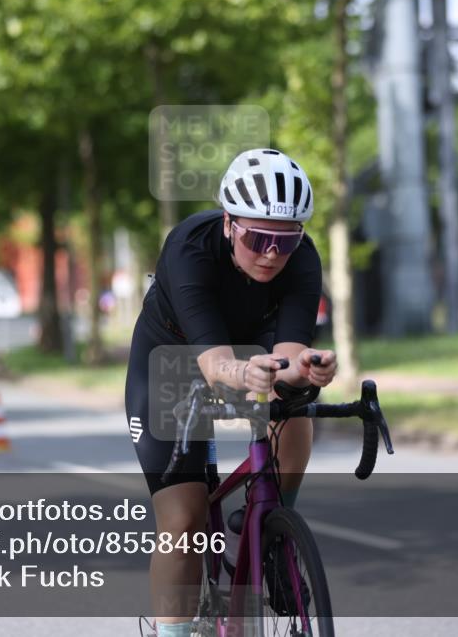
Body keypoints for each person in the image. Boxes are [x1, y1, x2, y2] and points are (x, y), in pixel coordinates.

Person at [125, 149, 339, 636]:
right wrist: (248, 374)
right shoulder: (189, 249)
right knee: (183, 522)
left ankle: (276, 536)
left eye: (285, 242)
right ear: (228, 223)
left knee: (296, 408)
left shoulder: (301, 258)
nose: (271, 253)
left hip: (250, 350)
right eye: (257, 237)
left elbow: (286, 353)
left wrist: (304, 367)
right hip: (173, 359)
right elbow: (215, 364)